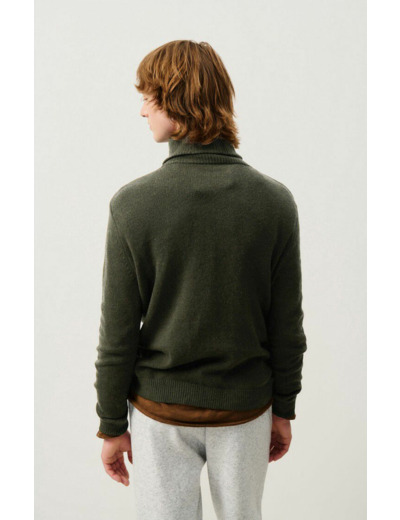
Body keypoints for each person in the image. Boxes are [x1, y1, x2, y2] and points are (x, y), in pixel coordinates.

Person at [94, 39, 307, 520]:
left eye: (149, 97)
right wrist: (283, 408)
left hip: (159, 414)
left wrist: (111, 424)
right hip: (246, 411)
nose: (142, 110)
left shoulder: (133, 205)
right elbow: (286, 324)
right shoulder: (274, 202)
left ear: (176, 101)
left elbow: (118, 332)